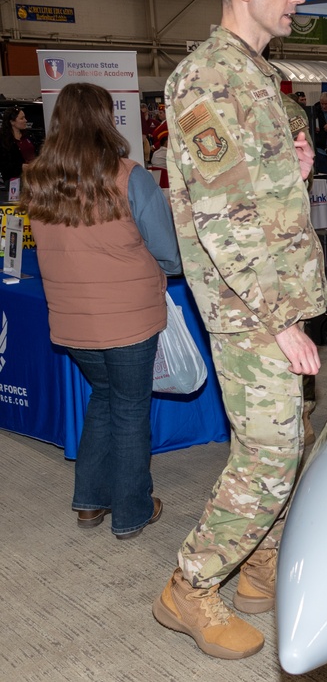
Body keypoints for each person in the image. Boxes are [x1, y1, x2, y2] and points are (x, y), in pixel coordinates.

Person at [152, 0, 327, 660]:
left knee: (289, 444)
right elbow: (225, 222)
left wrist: (302, 158)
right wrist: (278, 319)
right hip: (250, 307)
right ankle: (189, 587)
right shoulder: (205, 78)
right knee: (266, 454)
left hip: (276, 296)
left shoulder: (257, 76)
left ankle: (257, 558)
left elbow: (266, 180)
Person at [22, 82, 181, 541]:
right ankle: (132, 511)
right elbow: (168, 254)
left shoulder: (38, 180)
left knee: (105, 400)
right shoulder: (129, 176)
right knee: (130, 409)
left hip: (71, 323)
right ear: (104, 119)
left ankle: (90, 502)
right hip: (129, 318)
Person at [0, 105, 39, 185]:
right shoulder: (3, 140)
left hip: (33, 176)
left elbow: (37, 152)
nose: (26, 120)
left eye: (24, 117)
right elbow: (3, 164)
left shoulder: (29, 136)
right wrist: (21, 167)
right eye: (22, 118)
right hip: (15, 180)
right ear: (12, 122)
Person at [311, 91, 327, 175]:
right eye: (322, 104)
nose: (324, 106)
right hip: (321, 148)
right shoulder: (315, 111)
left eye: (326, 104)